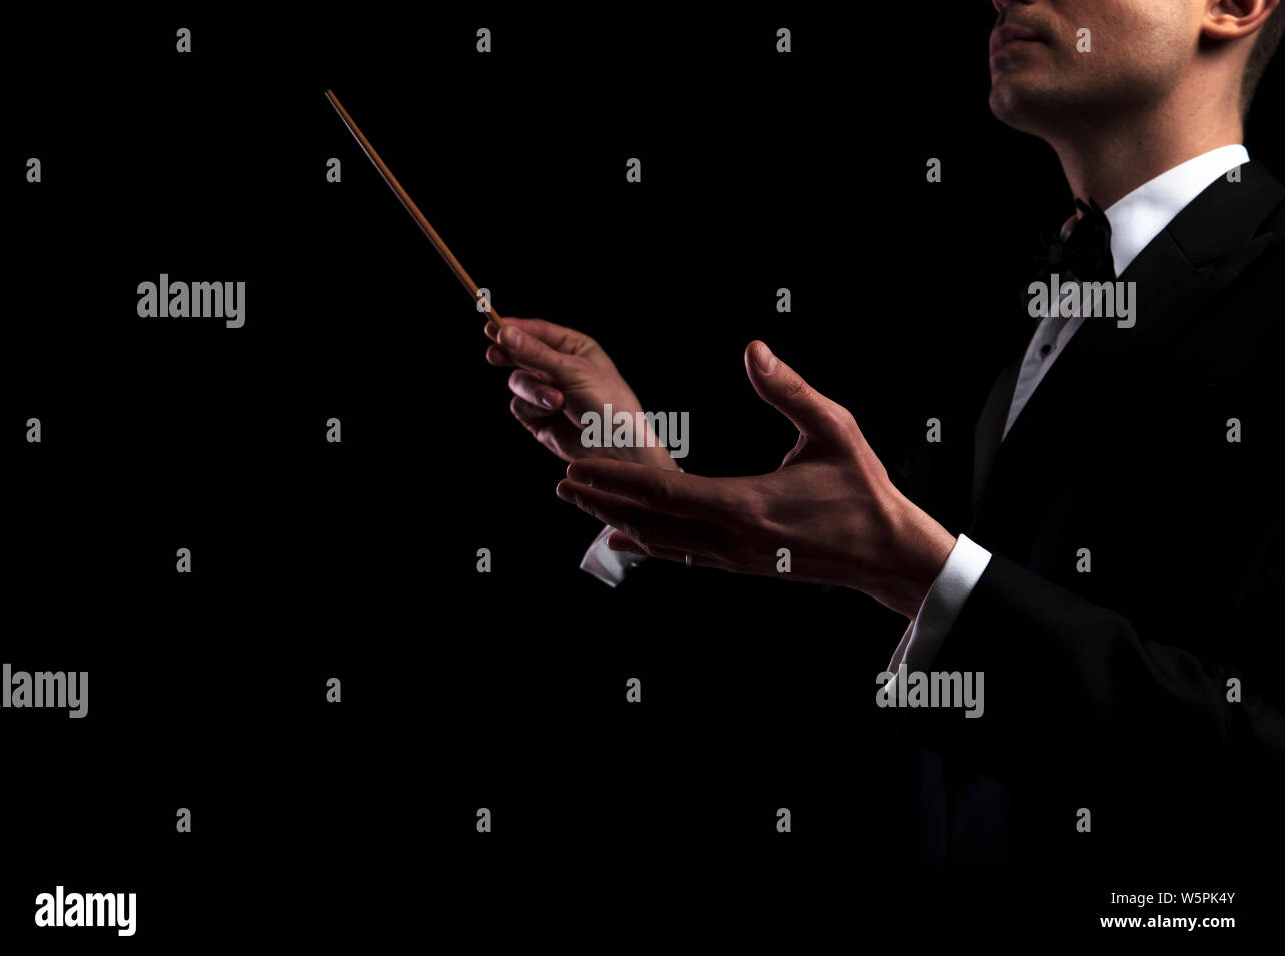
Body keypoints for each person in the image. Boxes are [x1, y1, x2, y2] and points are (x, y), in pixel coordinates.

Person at [484, 0, 1285, 867]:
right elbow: (864, 662)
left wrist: (916, 567)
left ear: (1233, 7)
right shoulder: (1016, 311)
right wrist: (656, 487)